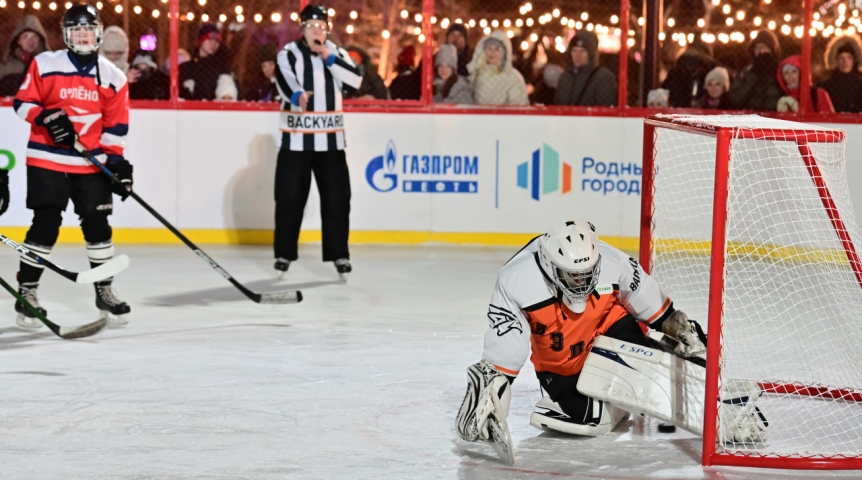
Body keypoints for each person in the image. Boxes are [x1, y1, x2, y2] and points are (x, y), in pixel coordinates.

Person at [455, 220, 765, 448]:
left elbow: (657, 309)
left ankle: (710, 401)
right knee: (592, 422)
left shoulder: (613, 261)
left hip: (609, 329)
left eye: (587, 274)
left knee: (645, 376)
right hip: (563, 365)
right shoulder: (516, 281)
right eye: (573, 276)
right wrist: (493, 392)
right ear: (551, 265)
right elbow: (505, 354)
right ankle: (615, 394)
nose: (582, 282)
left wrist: (684, 332)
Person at [12, 3, 133, 329]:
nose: (82, 37)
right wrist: (47, 117)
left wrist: (118, 164)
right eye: (76, 31)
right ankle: (27, 291)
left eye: (87, 31)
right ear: (66, 35)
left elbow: (115, 129)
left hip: (90, 163)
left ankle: (104, 290)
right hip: (46, 158)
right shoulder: (45, 63)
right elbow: (22, 103)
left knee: (98, 226)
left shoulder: (114, 77)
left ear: (98, 34)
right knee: (45, 223)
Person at [272, 4, 362, 279]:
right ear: (302, 29)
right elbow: (284, 79)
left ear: (327, 30)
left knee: (337, 200)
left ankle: (339, 254)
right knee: (288, 199)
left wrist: (328, 57)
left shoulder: (337, 53)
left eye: (321, 26)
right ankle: (284, 253)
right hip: (295, 141)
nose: (316, 31)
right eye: (311, 26)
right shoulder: (289, 53)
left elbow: (355, 80)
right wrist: (298, 95)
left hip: (331, 143)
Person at [555, 31, 617, 107]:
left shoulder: (603, 78)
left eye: (582, 51)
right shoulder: (565, 77)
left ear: (591, 54)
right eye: (574, 50)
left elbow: (605, 109)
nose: (577, 55)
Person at [179, 23, 238, 100]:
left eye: (217, 41)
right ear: (201, 41)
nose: (213, 43)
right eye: (209, 39)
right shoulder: (186, 68)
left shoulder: (223, 68)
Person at [468, 31, 529, 105]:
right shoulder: (477, 75)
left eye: (497, 49)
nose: (492, 52)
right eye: (489, 48)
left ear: (504, 52)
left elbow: (519, 105)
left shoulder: (513, 77)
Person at [729, 29, 783, 110]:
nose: (761, 51)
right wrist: (753, 75)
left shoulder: (781, 71)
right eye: (758, 48)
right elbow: (735, 99)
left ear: (772, 50)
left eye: (765, 47)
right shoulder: (747, 72)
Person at [0, 15, 50, 96]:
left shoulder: (48, 66)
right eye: (25, 36)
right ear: (18, 41)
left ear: (40, 41)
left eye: (34, 36)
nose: (31, 41)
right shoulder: (5, 67)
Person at [661, 39, 716, 108]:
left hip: (677, 108)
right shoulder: (710, 69)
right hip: (703, 109)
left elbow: (666, 89)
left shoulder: (677, 68)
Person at [818, 35, 862, 113]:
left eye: (849, 57)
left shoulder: (860, 84)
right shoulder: (826, 85)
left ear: (854, 60)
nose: (845, 61)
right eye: (841, 58)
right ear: (836, 60)